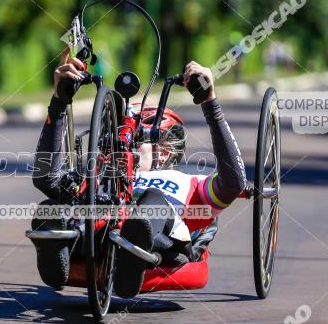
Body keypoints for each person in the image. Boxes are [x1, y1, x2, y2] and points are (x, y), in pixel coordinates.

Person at [30, 50, 247, 299]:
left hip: (161, 241)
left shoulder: (189, 183)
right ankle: (58, 246)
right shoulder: (102, 178)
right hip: (96, 231)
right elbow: (46, 177)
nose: (123, 145)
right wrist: (59, 101)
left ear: (164, 151)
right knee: (51, 207)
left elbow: (233, 183)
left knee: (152, 201)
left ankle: (131, 253)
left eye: (137, 139)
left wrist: (210, 102)